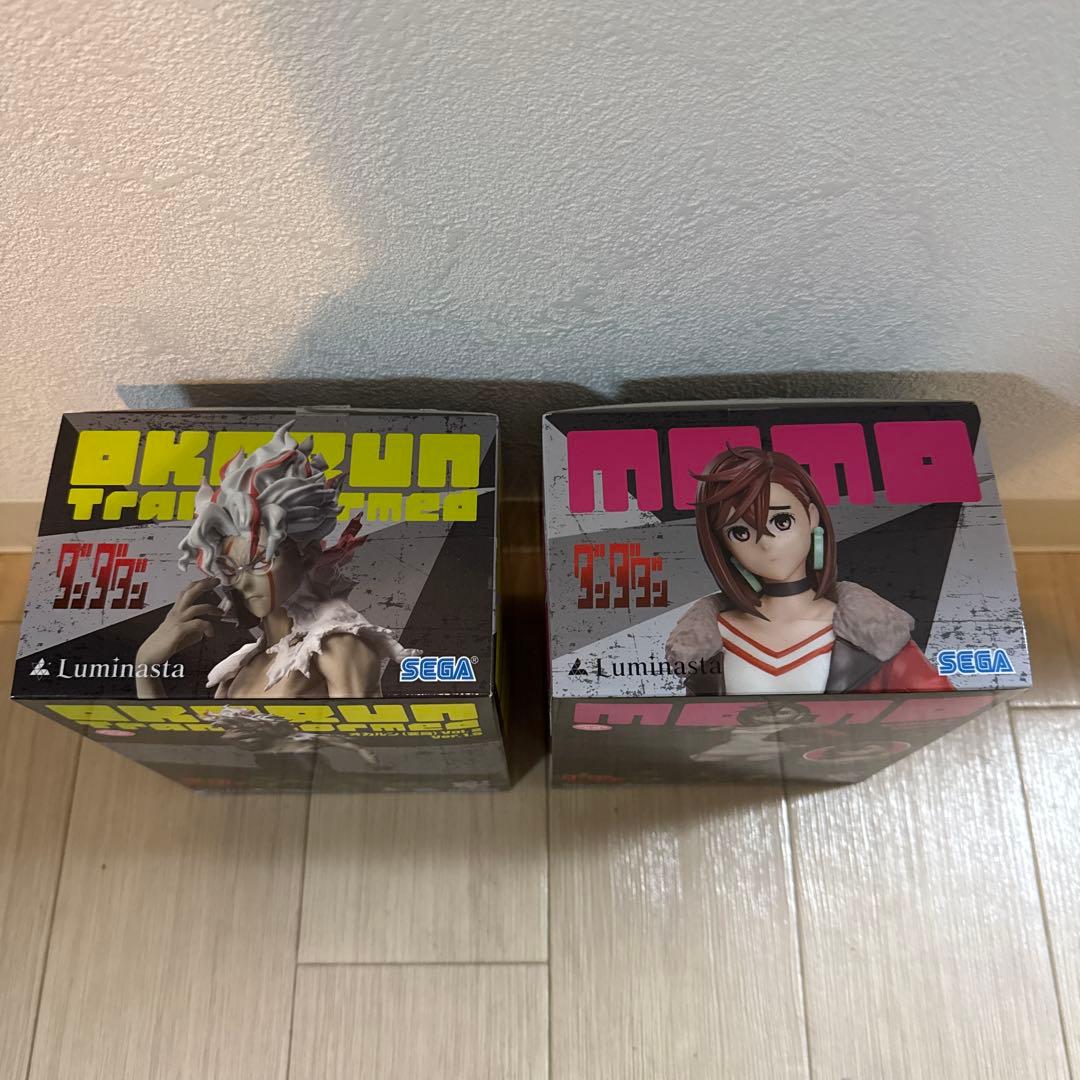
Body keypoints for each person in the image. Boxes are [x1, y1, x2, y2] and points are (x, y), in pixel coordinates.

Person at [136, 422, 419, 701]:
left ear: (307, 556)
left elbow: (366, 729)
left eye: (261, 561)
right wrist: (145, 667)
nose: (245, 583)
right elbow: (188, 735)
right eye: (231, 569)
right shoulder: (240, 667)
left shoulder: (336, 647)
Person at [665, 446, 953, 695]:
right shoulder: (710, 640)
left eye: (781, 521)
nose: (765, 543)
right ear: (723, 545)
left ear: (812, 516)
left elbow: (941, 714)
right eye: (740, 532)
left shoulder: (872, 632)